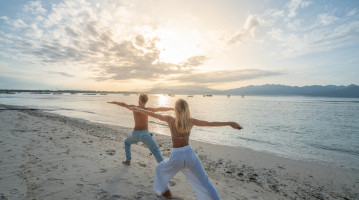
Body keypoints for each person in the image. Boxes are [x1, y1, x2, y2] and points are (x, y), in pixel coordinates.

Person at [130, 98, 243, 199]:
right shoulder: (190, 121)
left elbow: (151, 114)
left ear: (176, 109)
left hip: (177, 156)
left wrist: (137, 109)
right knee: (205, 182)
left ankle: (165, 191)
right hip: (190, 155)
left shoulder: (170, 120)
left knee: (159, 169)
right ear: (186, 109)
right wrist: (229, 123)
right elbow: (209, 123)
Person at [108, 93, 173, 165]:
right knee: (155, 150)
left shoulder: (134, 108)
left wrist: (113, 102)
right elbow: (160, 109)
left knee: (127, 142)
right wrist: (171, 108)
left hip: (135, 134)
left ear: (139, 99)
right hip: (145, 135)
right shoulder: (147, 110)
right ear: (146, 101)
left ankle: (128, 160)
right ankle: (163, 167)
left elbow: (123, 104)